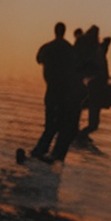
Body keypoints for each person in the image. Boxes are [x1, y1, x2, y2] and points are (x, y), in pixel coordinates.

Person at [27, 23, 76, 161]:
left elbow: (39, 59)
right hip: (64, 90)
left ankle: (42, 150)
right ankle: (47, 151)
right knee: (58, 122)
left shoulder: (48, 47)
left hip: (52, 88)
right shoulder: (69, 49)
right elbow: (75, 66)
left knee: (51, 121)